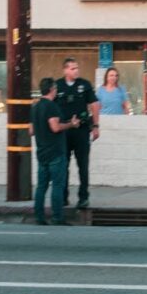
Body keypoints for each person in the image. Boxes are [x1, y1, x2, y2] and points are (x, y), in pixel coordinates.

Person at [29, 78, 80, 225]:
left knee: (41, 186)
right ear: (52, 89)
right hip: (55, 152)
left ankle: (39, 216)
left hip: (42, 152)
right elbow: (55, 127)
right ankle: (57, 217)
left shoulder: (35, 107)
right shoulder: (52, 106)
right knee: (57, 185)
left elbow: (31, 131)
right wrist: (71, 124)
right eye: (55, 88)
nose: (56, 91)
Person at [55, 57, 100, 210]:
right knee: (63, 165)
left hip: (81, 130)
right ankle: (63, 196)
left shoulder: (84, 85)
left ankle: (83, 197)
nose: (76, 71)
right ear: (65, 70)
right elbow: (51, 107)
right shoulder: (58, 86)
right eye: (73, 68)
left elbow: (94, 104)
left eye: (77, 68)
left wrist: (95, 126)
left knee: (83, 165)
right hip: (64, 130)